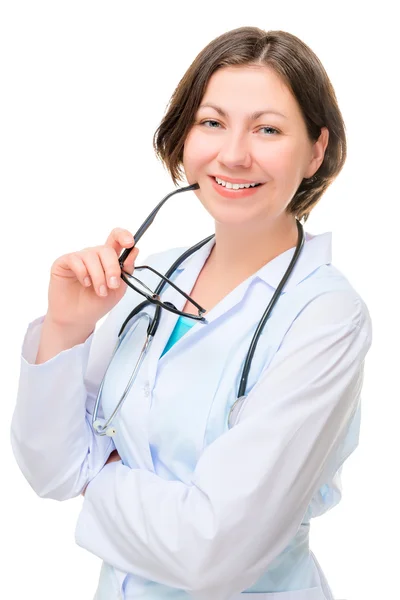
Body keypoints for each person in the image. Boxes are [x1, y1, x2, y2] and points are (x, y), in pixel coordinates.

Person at [10, 26, 372, 600]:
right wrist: (69, 326)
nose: (232, 154)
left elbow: (214, 554)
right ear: (184, 136)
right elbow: (49, 467)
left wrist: (97, 472)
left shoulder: (327, 316)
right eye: (212, 122)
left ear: (317, 151)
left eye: (268, 129)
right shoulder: (153, 274)